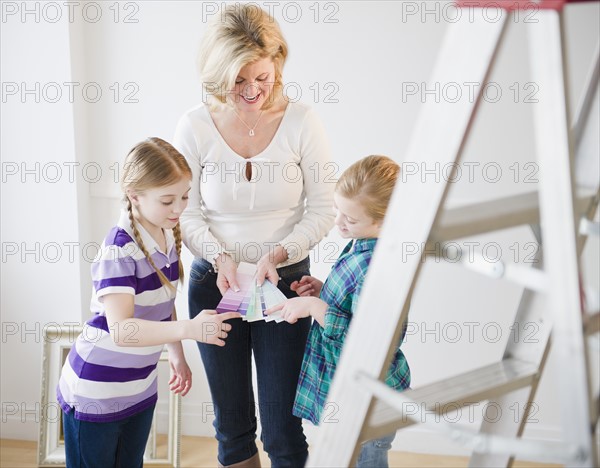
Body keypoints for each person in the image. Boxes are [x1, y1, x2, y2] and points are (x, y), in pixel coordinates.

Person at [173, 4, 335, 467]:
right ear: (217, 74)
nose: (252, 91)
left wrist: (283, 251)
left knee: (283, 426)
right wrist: (219, 255)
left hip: (283, 287)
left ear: (278, 64)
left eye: (263, 78)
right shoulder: (195, 125)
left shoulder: (303, 121)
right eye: (239, 80)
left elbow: (323, 210)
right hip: (215, 284)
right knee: (231, 426)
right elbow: (186, 212)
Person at [57, 137, 241, 468]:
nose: (179, 208)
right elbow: (122, 331)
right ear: (134, 196)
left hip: (138, 387)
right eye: (168, 200)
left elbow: (162, 302)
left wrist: (176, 354)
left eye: (184, 197)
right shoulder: (119, 250)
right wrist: (189, 329)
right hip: (96, 391)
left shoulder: (166, 234)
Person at [266, 155, 411, 468]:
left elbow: (368, 341)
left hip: (370, 397)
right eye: (337, 212)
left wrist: (313, 307)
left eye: (351, 219)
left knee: (365, 461)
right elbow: (355, 306)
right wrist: (323, 292)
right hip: (349, 389)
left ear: (386, 219)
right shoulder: (362, 243)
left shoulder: (379, 266)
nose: (339, 223)